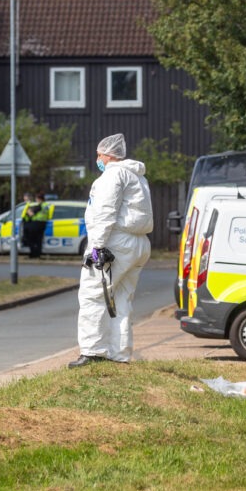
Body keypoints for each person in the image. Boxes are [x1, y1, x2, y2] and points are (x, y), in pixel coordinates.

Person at [69, 134, 153, 368]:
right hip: (139, 243)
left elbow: (105, 212)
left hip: (116, 241)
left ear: (108, 155)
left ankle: (93, 351)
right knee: (121, 298)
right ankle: (119, 353)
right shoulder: (138, 177)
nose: (97, 159)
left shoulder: (113, 175)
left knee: (93, 295)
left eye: (99, 155)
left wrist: (96, 246)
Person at [22, 193, 49, 258]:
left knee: (31, 239)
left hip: (36, 224)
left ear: (39, 199)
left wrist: (28, 210)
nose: (36, 200)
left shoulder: (40, 206)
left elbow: (31, 214)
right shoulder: (45, 205)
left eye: (36, 199)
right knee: (39, 240)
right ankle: (38, 254)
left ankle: (33, 254)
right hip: (43, 224)